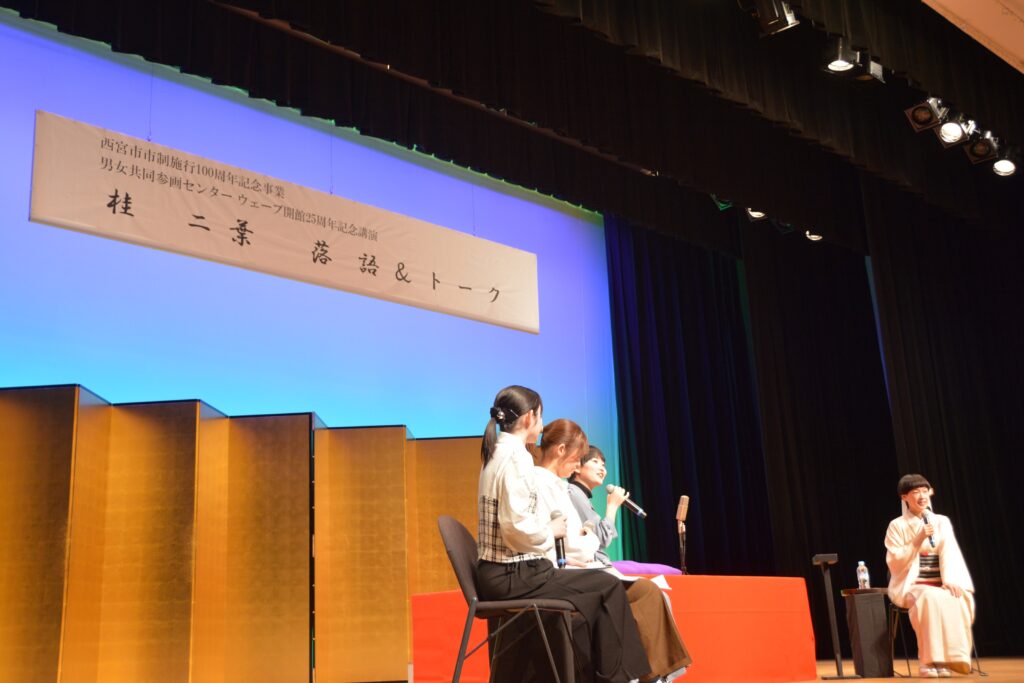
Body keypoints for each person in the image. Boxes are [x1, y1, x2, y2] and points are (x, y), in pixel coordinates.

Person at [476, 385, 651, 683]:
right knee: (607, 587)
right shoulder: (516, 457)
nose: (542, 425)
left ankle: (605, 676)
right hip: (511, 575)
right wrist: (551, 531)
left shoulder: (499, 451)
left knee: (598, 589)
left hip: (506, 572)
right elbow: (515, 529)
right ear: (529, 417)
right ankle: (619, 678)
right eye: (541, 417)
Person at [534, 422, 691, 682]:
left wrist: (587, 538)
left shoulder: (561, 487)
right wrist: (607, 514)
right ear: (562, 451)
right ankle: (648, 675)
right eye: (586, 460)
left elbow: (584, 537)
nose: (601, 468)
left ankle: (656, 674)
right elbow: (587, 541)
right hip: (569, 570)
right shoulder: (561, 489)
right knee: (645, 593)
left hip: (584, 565)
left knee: (651, 593)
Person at [885, 474, 975, 678]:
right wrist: (918, 539)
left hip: (940, 582)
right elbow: (895, 561)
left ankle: (950, 658)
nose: (922, 496)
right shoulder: (896, 525)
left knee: (959, 597)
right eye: (915, 492)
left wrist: (949, 579)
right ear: (904, 497)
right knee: (929, 598)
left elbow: (949, 552)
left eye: (925, 491)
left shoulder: (941, 521)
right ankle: (927, 661)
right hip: (912, 584)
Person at [567, 446, 627, 567]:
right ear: (577, 467)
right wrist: (612, 506)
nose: (602, 469)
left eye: (603, 465)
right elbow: (601, 539)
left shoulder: (579, 494)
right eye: (595, 461)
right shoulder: (574, 492)